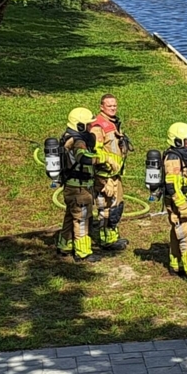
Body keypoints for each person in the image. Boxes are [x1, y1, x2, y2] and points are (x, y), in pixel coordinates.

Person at [55, 108, 103, 263]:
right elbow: (83, 158)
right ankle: (83, 253)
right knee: (82, 219)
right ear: (80, 125)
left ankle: (65, 246)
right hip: (80, 189)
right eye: (88, 125)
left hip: (71, 186)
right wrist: (102, 158)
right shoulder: (78, 141)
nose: (90, 128)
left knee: (70, 216)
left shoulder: (67, 137)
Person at [89, 94, 132, 251]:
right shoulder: (98, 127)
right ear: (101, 107)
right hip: (104, 176)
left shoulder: (114, 123)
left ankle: (113, 237)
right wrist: (103, 177)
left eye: (115, 105)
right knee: (106, 208)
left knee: (116, 206)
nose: (113, 108)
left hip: (115, 174)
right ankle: (105, 240)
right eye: (109, 106)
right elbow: (95, 153)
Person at [163, 122, 187, 284]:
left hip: (184, 199)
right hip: (177, 203)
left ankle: (176, 264)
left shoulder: (183, 157)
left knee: (177, 233)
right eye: (186, 140)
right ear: (178, 141)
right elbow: (172, 186)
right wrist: (182, 206)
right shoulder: (172, 159)